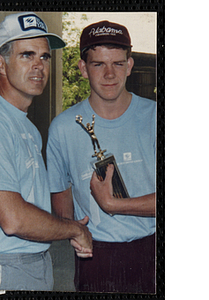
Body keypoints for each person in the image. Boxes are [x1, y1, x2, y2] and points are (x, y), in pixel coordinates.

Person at [0, 12, 93, 292]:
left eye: (44, 57)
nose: (39, 66)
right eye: (26, 55)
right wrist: (74, 228)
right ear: (1, 63)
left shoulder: (26, 126)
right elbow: (13, 219)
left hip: (27, 265)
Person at [47, 20, 156, 293]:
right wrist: (73, 229)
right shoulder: (62, 128)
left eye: (118, 63)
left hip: (153, 246)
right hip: (96, 256)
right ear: (83, 69)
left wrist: (113, 204)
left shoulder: (155, 117)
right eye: (98, 64)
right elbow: (61, 202)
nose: (110, 74)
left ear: (130, 65)